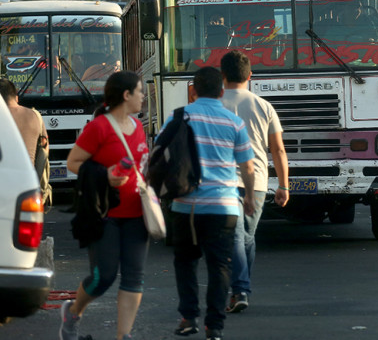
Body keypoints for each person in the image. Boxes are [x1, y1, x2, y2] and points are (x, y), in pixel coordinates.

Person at [169, 67, 287, 340]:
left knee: (185, 263)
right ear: (220, 91)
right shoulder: (233, 122)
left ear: (193, 91)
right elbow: (247, 165)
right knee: (219, 264)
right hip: (222, 204)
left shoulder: (177, 117)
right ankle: (215, 326)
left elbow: (159, 155)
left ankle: (188, 317)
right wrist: (247, 197)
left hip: (184, 204)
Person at [60, 71, 149, 340]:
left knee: (134, 278)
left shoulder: (139, 127)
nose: (143, 96)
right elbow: (73, 163)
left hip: (137, 213)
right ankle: (73, 312)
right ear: (126, 95)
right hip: (105, 214)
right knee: (103, 277)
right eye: (139, 91)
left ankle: (124, 336)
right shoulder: (99, 127)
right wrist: (105, 175)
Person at [219, 50, 289, 314]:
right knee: (246, 236)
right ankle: (241, 288)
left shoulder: (213, 105)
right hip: (258, 181)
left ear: (222, 75)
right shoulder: (264, 106)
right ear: (250, 75)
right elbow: (278, 150)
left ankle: (239, 289)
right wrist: (283, 185)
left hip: (223, 181)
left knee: (238, 236)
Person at [0, 77, 48, 167]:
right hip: (30, 176)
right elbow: (44, 147)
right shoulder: (36, 116)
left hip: (4, 177)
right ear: (16, 97)